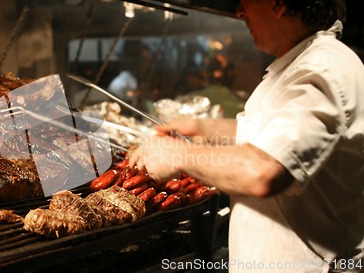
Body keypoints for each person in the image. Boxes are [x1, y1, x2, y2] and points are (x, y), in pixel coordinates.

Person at [129, 0, 364, 272]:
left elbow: (265, 171)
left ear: (278, 4)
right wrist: (205, 129)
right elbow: (274, 135)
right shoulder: (301, 63)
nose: (239, 11)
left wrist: (180, 155)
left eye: (246, 1)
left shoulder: (321, 69)